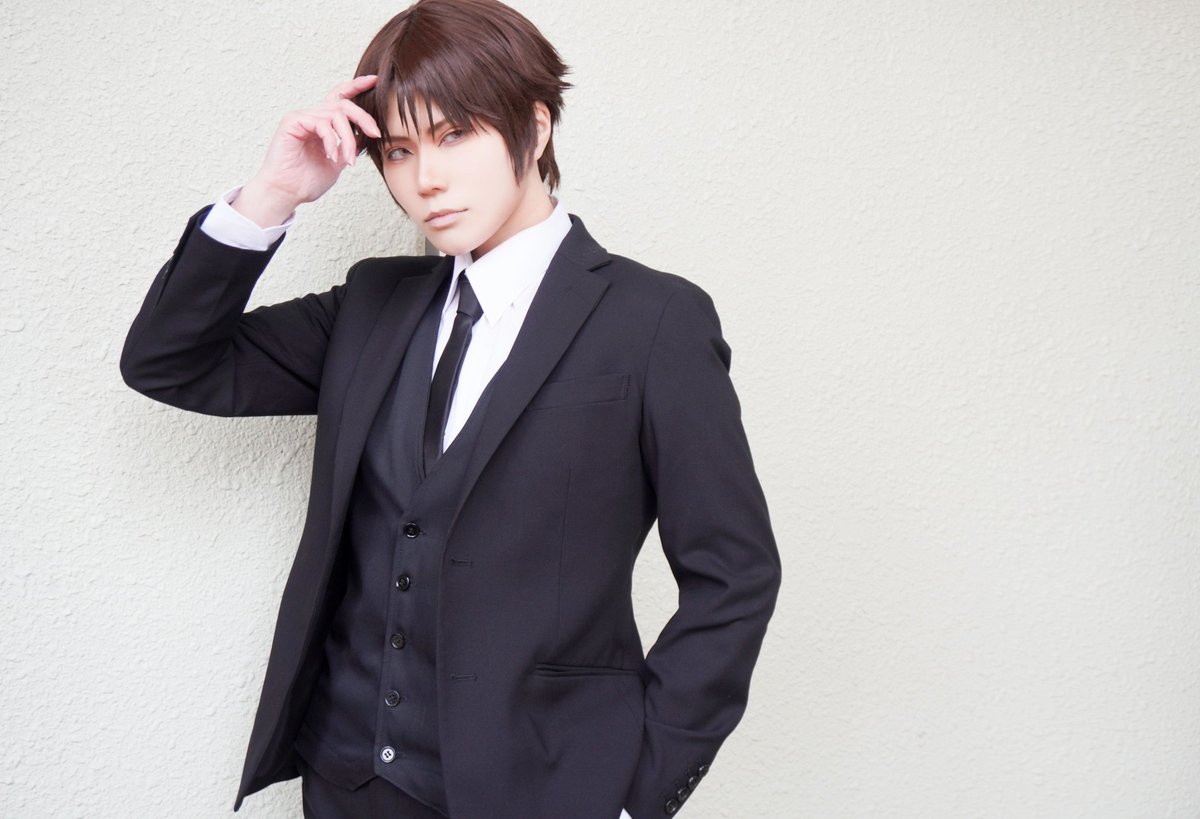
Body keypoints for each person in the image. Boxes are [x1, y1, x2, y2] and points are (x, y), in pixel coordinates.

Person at [120, 1, 781, 816]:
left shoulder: (653, 321)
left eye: (454, 134)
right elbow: (169, 361)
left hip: (543, 788)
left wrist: (634, 791)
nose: (424, 179)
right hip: (348, 781)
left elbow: (735, 575)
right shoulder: (372, 306)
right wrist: (272, 194)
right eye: (399, 150)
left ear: (534, 126)